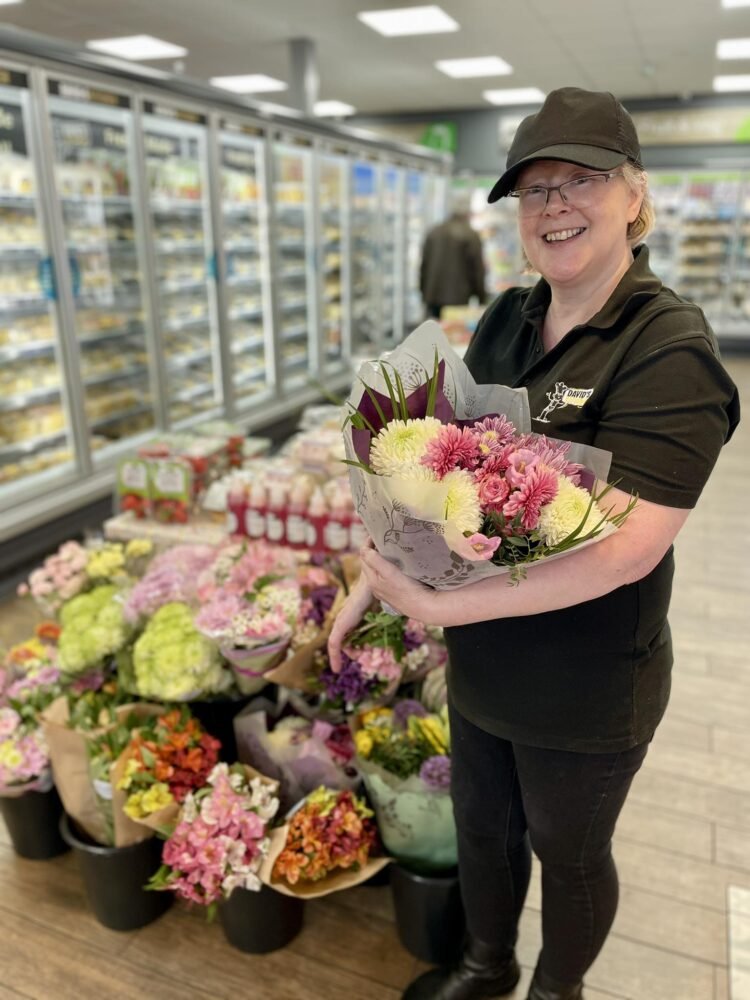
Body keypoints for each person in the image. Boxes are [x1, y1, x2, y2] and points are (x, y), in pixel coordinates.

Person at [329, 87, 740, 1000]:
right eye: (533, 189)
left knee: (569, 850)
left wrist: (439, 604)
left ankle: (558, 991)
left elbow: (626, 550)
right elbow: (435, 472)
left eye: (579, 180)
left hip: (587, 680)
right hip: (486, 657)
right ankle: (488, 966)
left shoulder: (668, 349)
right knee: (483, 827)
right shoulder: (505, 319)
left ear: (633, 194)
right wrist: (377, 580)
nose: (554, 205)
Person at [420, 190, 487, 319]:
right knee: (453, 330)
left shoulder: (434, 232)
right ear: (467, 212)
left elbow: (424, 266)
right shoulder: (471, 235)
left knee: (434, 329)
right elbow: (477, 270)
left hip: (432, 296)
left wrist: (424, 293)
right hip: (458, 299)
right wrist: (481, 298)